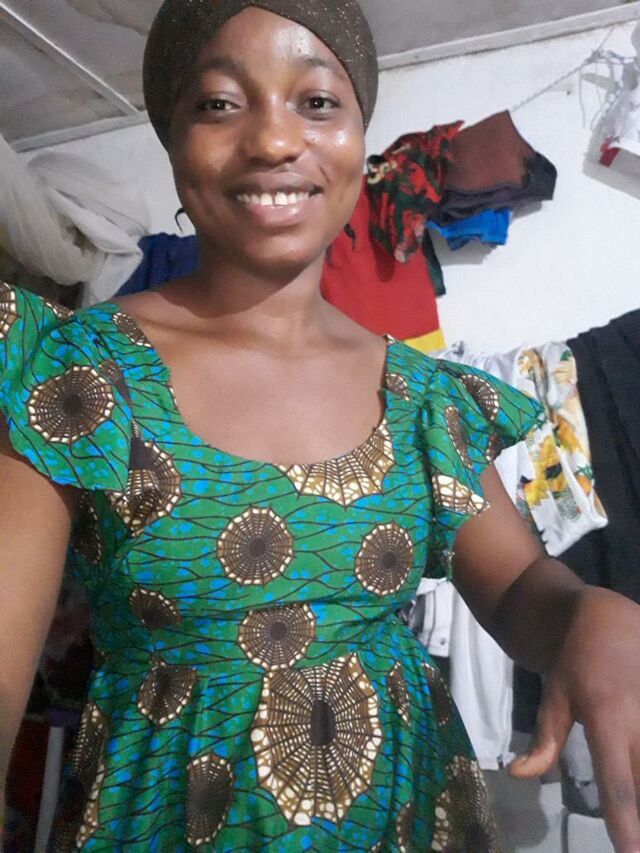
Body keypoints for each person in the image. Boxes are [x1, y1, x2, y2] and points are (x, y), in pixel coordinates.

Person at [1, 1, 640, 850]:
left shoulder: (422, 397)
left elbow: (521, 585)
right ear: (173, 138)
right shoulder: (81, 371)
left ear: (357, 135)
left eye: (317, 102)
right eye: (220, 103)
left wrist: (587, 613)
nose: (274, 139)